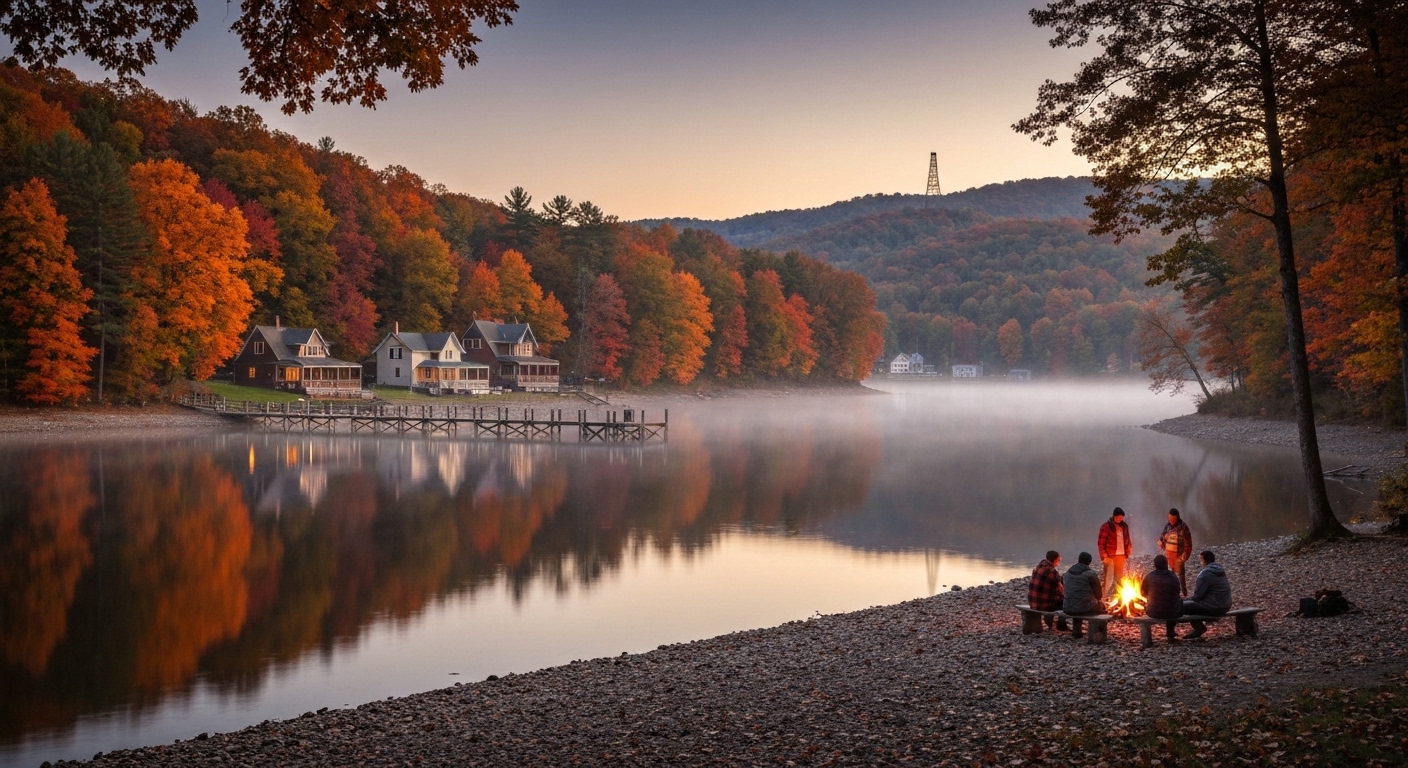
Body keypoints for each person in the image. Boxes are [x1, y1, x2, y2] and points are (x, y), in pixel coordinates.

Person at [1182, 550, 1231, 639]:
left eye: (1200, 560)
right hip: (1226, 606)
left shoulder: (1204, 574)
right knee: (1191, 605)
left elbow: (1197, 597)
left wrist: (1183, 600)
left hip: (1214, 608)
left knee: (1184, 606)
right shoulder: (1220, 571)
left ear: (1203, 560)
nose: (1200, 562)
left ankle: (1199, 628)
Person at [1141, 554, 1183, 641]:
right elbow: (1177, 591)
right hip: (1173, 612)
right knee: (1171, 602)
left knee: (1166, 602)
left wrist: (1151, 598)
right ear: (1166, 564)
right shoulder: (1173, 576)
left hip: (1154, 612)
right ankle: (1170, 632)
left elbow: (1142, 592)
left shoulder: (1149, 576)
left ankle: (1168, 633)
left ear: (1155, 565)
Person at [1062, 552, 1103, 639]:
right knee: (1100, 607)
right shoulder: (1090, 574)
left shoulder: (1067, 573)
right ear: (1089, 562)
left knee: (1077, 601)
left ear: (1079, 560)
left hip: (1067, 607)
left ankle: (1077, 631)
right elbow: (1099, 595)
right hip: (1083, 608)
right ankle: (1097, 632)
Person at [1028, 551, 1068, 631]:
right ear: (1056, 560)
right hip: (1043, 604)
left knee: (1049, 596)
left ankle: (1049, 622)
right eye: (1059, 560)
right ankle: (1061, 624)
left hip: (1032, 602)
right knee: (1065, 602)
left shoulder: (1038, 567)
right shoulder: (1052, 572)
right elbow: (1060, 590)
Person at [1097, 507, 1132, 598]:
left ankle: (1118, 594)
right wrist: (1104, 556)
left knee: (1119, 576)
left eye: (1121, 517)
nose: (1119, 519)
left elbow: (1127, 539)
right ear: (1113, 516)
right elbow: (1101, 543)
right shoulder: (1106, 526)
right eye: (1117, 517)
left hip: (1121, 555)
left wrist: (1128, 550)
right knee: (1108, 577)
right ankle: (1105, 595)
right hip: (1110, 555)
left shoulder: (1124, 526)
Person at [1158, 508, 1194, 596]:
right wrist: (1162, 540)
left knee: (1180, 574)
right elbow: (1162, 537)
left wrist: (1185, 554)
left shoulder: (1183, 527)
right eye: (1169, 518)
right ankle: (1171, 593)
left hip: (1178, 554)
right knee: (1169, 574)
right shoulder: (1167, 526)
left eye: (1173, 519)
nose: (1171, 520)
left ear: (1177, 517)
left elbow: (1188, 542)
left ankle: (1184, 593)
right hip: (1168, 554)